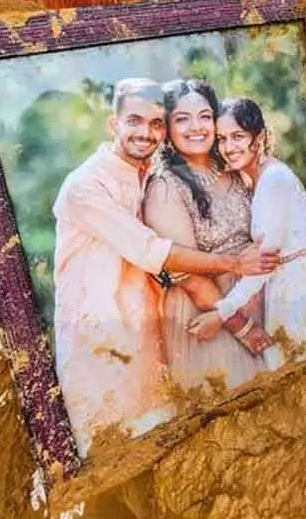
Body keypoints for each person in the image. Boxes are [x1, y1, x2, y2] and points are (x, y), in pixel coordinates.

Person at [51, 78, 279, 457]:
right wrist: (237, 281)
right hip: (103, 340)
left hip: (150, 334)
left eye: (156, 123)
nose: (146, 133)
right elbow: (157, 254)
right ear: (113, 124)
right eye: (135, 121)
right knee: (113, 450)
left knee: (179, 441)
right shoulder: (87, 186)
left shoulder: (143, 173)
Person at [143, 80, 270, 391]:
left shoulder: (231, 164)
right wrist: (243, 328)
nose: (196, 127)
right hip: (209, 312)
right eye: (182, 119)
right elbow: (186, 275)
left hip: (253, 297)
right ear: (167, 129)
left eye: (204, 116)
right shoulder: (166, 187)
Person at [190, 97, 306, 369]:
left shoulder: (274, 180)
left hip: (298, 292)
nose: (228, 147)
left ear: (259, 136)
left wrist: (220, 314)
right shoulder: (258, 179)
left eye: (237, 136)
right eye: (222, 139)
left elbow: (264, 264)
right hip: (286, 287)